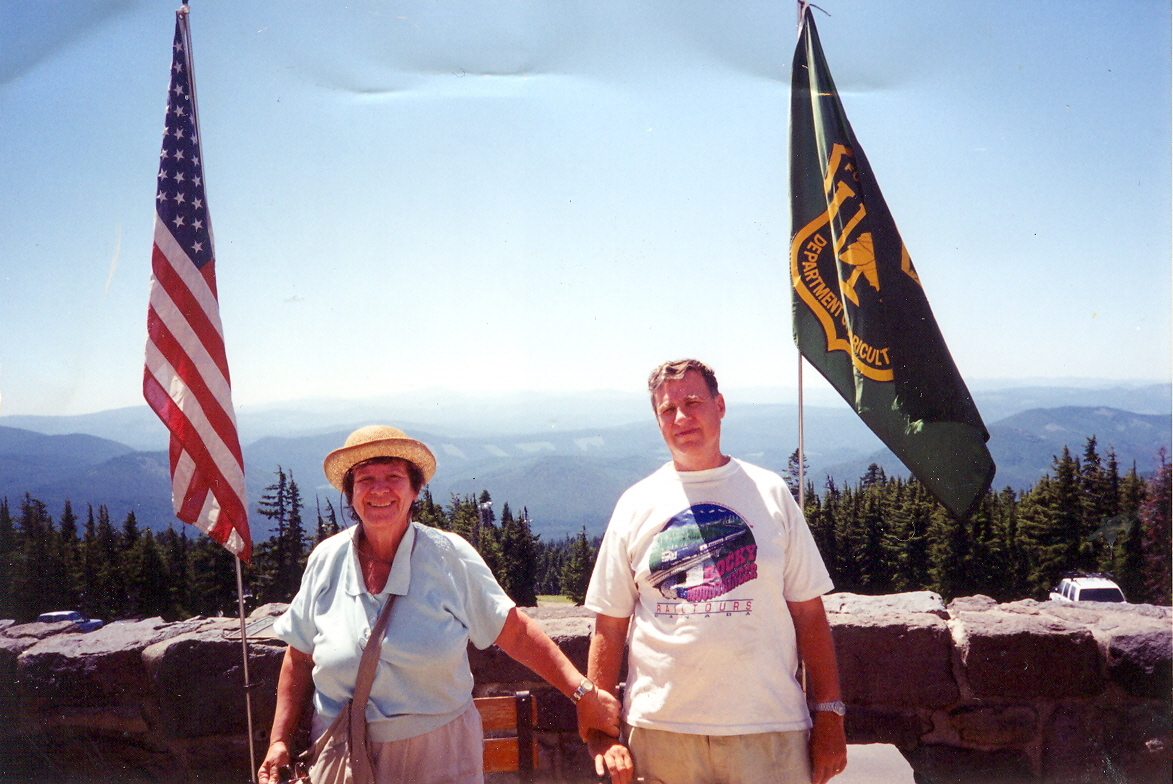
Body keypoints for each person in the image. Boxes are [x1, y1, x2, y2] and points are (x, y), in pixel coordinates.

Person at [257, 425, 621, 784]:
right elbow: (299, 655)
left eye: (394, 476)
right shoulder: (326, 560)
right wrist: (278, 741)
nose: (379, 489)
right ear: (350, 493)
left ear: (415, 490)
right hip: (342, 756)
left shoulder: (448, 556)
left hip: (439, 758)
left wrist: (582, 693)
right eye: (365, 479)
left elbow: (516, 633)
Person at [584, 360, 848, 784]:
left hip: (769, 729)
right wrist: (599, 732)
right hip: (659, 732)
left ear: (720, 405)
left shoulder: (771, 493)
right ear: (657, 421)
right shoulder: (636, 504)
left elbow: (810, 615)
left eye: (692, 402)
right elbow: (609, 626)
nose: (681, 418)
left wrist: (831, 716)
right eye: (667, 410)